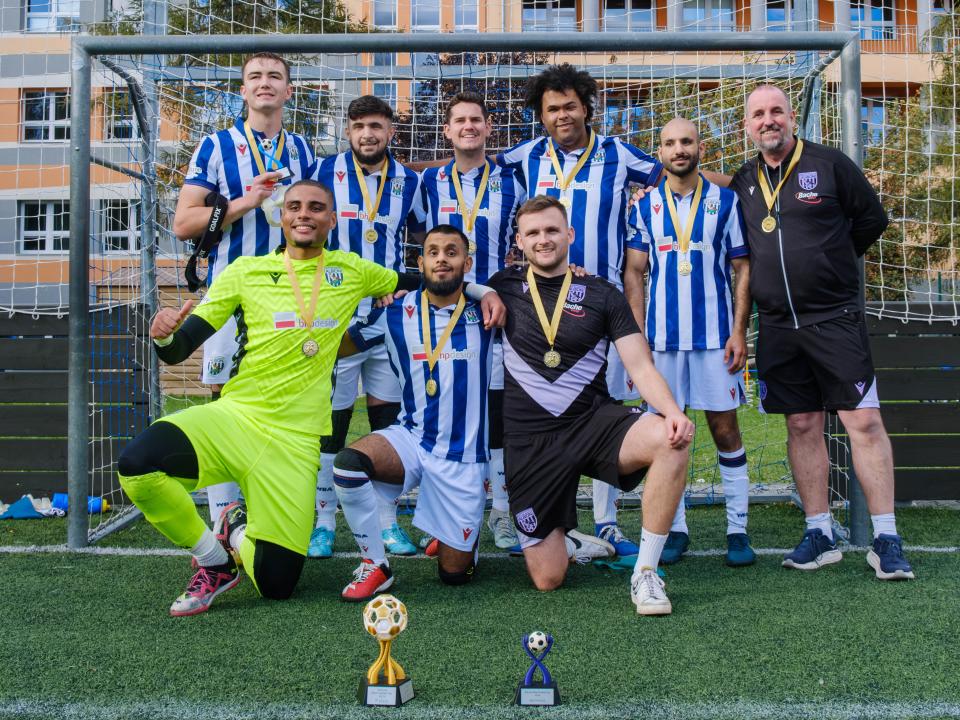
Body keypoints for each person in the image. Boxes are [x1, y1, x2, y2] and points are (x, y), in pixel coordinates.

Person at [115, 181, 497, 617]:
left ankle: (236, 526)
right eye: (294, 206)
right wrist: (163, 337)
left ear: (331, 220)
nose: (304, 214)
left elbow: (426, 278)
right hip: (236, 417)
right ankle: (214, 560)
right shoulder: (243, 271)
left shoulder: (352, 270)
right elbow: (182, 346)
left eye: (317, 208)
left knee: (276, 586)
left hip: (296, 444)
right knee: (138, 465)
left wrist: (484, 291)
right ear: (282, 216)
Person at [728, 84, 913, 580]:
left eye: (776, 112)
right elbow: (699, 185)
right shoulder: (744, 182)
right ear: (747, 126)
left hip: (835, 320)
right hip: (779, 328)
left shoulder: (830, 166)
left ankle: (886, 537)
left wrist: (829, 262)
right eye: (758, 115)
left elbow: (871, 221)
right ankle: (819, 532)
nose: (768, 121)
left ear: (792, 118)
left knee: (864, 423)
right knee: (801, 425)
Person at [495, 64, 673, 556]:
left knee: (605, 409)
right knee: (552, 413)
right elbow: (473, 164)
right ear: (541, 115)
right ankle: (558, 524)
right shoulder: (524, 156)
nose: (561, 115)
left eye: (570, 106)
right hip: (539, 306)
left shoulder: (618, 153)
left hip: (601, 309)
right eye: (551, 109)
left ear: (587, 108)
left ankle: (607, 520)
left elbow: (676, 174)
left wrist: (738, 184)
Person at [489, 196, 695, 615]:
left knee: (670, 439)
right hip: (530, 441)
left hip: (590, 423)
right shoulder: (501, 287)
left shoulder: (603, 294)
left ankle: (646, 573)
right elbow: (449, 286)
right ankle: (569, 539)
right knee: (548, 579)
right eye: (533, 233)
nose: (543, 240)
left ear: (570, 235)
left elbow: (639, 363)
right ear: (519, 242)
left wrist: (673, 411)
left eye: (551, 230)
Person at [172, 52, 315, 523]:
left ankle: (274, 511)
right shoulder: (215, 145)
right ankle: (224, 518)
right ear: (243, 90)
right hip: (231, 295)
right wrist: (244, 202)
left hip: (291, 295)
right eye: (255, 76)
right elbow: (183, 223)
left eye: (275, 76)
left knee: (285, 403)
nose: (265, 83)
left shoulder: (303, 149)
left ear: (289, 90)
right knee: (224, 402)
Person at [331, 225, 498, 600]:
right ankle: (376, 564)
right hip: (412, 438)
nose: (442, 259)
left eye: (452, 252)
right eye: (434, 252)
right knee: (347, 463)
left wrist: (487, 291)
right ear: (419, 262)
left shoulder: (487, 313)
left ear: (467, 263)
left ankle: (453, 538)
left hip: (464, 458)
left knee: (455, 576)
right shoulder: (393, 313)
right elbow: (336, 347)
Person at [625, 118, 755, 567]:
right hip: (661, 343)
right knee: (668, 436)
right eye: (669, 144)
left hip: (715, 340)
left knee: (725, 430)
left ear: (702, 146)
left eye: (686, 142)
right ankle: (675, 528)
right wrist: (638, 338)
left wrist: (739, 331)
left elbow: (743, 268)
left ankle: (737, 530)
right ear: (658, 152)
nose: (678, 150)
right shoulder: (643, 206)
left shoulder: (726, 200)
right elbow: (634, 273)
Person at [308, 96, 424, 558]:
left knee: (386, 421)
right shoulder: (323, 173)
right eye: (358, 126)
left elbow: (424, 239)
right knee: (329, 425)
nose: (367, 134)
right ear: (348, 131)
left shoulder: (410, 182)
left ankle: (387, 521)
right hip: (334, 321)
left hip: (390, 322)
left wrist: (405, 284)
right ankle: (322, 523)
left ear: (392, 130)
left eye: (376, 125)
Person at [414, 91, 526, 552]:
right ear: (447, 130)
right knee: (447, 413)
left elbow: (525, 240)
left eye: (476, 120)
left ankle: (501, 511)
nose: (468, 127)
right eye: (459, 120)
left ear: (488, 128)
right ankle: (446, 516)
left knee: (496, 413)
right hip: (442, 311)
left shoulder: (512, 182)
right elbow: (418, 243)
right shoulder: (429, 183)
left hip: (494, 310)